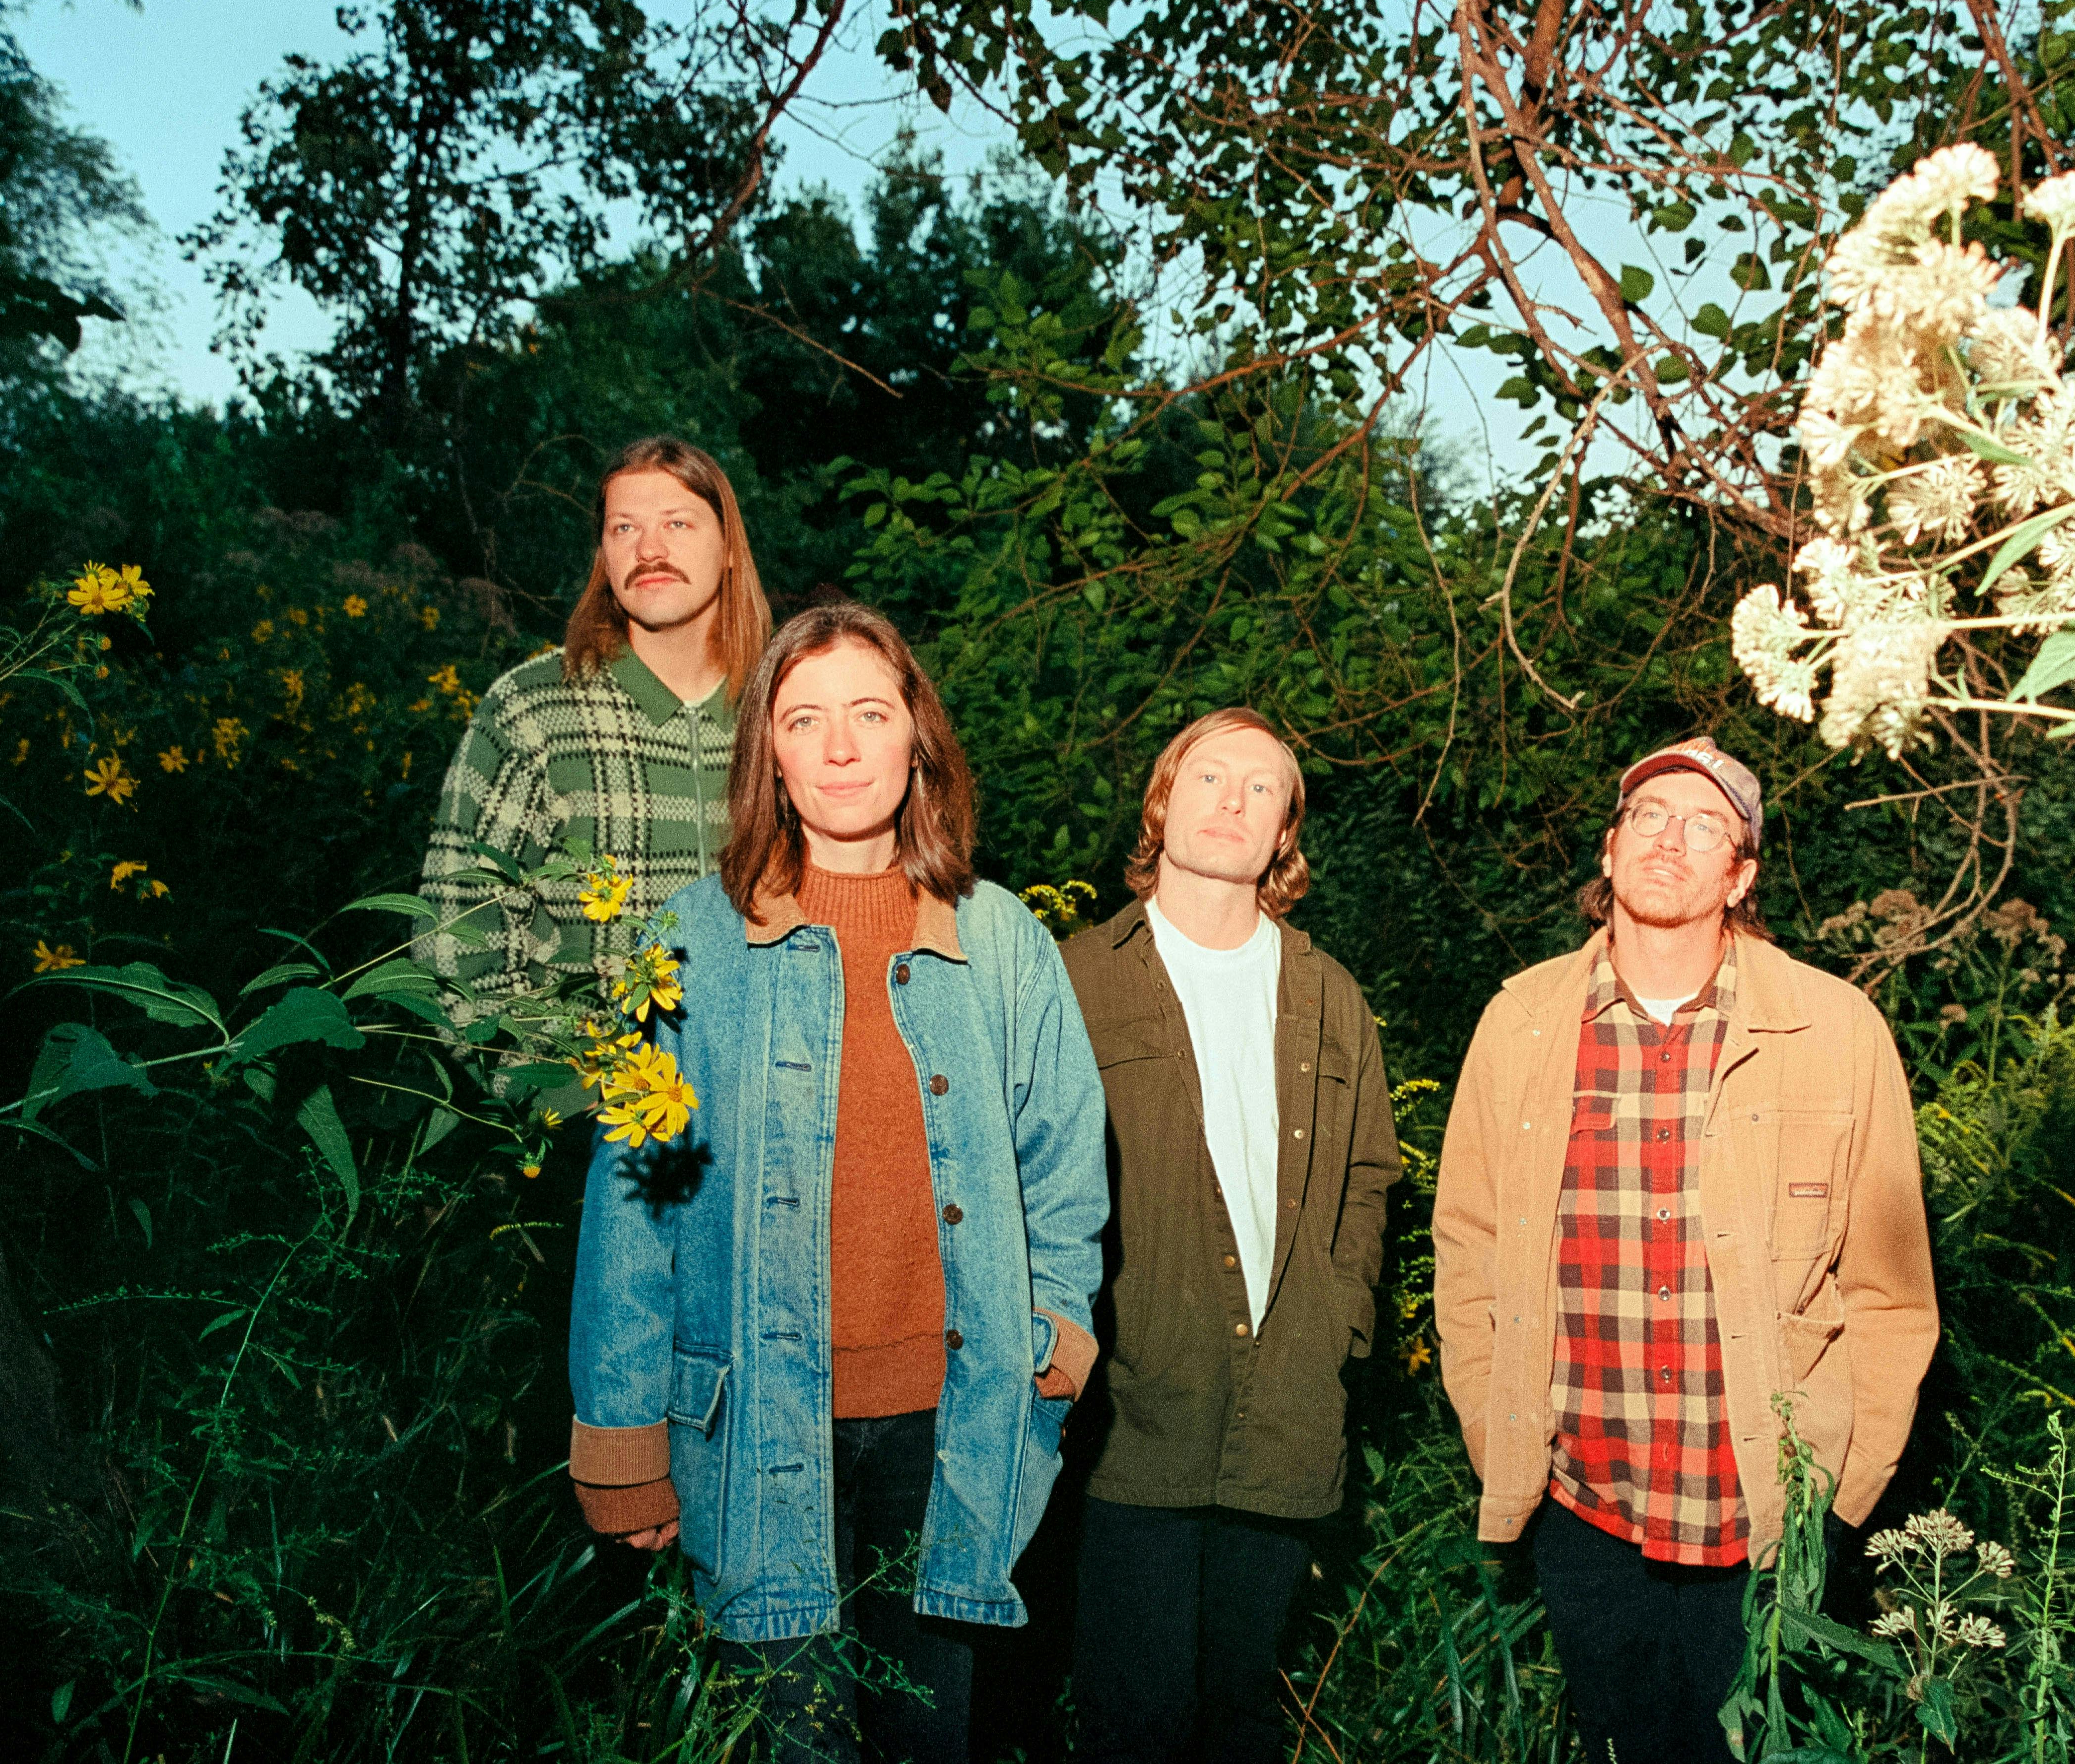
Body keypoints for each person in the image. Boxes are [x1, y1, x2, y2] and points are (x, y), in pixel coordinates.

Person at [565, 600, 1108, 1764]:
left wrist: (1058, 1331)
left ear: (918, 737)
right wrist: (620, 1438)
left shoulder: (1003, 939)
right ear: (769, 752)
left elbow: (1063, 1159)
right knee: (792, 1743)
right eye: (804, 719)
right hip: (753, 1429)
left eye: (870, 712)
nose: (842, 747)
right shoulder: (688, 939)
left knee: (931, 1739)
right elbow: (632, 1202)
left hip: (952, 1432)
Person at [1431, 737, 1937, 1764]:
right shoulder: (1519, 1023)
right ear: (1609, 849)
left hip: (1764, 1511)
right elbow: (1468, 1246)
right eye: (1649, 816)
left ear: (1739, 876)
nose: (1670, 839)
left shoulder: (1835, 1030)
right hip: (1584, 1503)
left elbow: (1890, 1291)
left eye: (1705, 825)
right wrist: (1499, 1435)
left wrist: (1841, 1495)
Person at [1057, 709, 1400, 1764]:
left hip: (1282, 1416)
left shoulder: (1329, 995)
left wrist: (1338, 1330)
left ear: (1283, 833)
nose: (1232, 801)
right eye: (1209, 777)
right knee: (1133, 1724)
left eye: (1262, 788)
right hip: (1127, 1417)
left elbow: (1368, 1179)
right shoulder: (1073, 976)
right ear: (1162, 803)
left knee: (1239, 1722)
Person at [418, 434, 771, 1011]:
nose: (649, 549)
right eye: (624, 528)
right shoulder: (532, 710)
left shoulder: (784, 712)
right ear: (603, 557)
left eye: (677, 523)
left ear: (729, 547)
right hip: (578, 1068)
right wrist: (564, 1066)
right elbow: (454, 954)